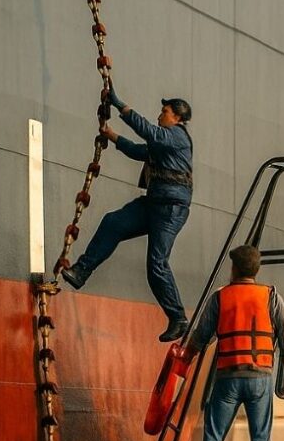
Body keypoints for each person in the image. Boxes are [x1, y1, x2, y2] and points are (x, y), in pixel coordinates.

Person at [61, 88, 194, 342]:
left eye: (164, 112)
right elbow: (138, 151)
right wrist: (111, 136)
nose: (159, 115)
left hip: (170, 209)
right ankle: (81, 272)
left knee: (156, 264)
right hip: (154, 204)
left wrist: (121, 106)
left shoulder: (176, 136)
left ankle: (178, 317)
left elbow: (149, 132)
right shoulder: (164, 143)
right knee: (113, 222)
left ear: (177, 118)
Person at [187, 245, 284, 441]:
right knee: (260, 439)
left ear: (234, 269)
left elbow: (200, 338)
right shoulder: (271, 296)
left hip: (227, 379)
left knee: (214, 436)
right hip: (260, 379)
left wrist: (184, 360)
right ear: (256, 270)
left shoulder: (220, 297)